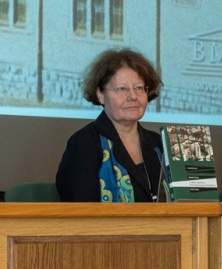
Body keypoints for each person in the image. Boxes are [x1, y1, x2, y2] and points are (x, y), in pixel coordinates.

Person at [56, 48, 164, 202]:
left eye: (139, 88)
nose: (133, 96)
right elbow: (79, 209)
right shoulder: (84, 143)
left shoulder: (159, 144)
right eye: (121, 89)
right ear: (100, 94)